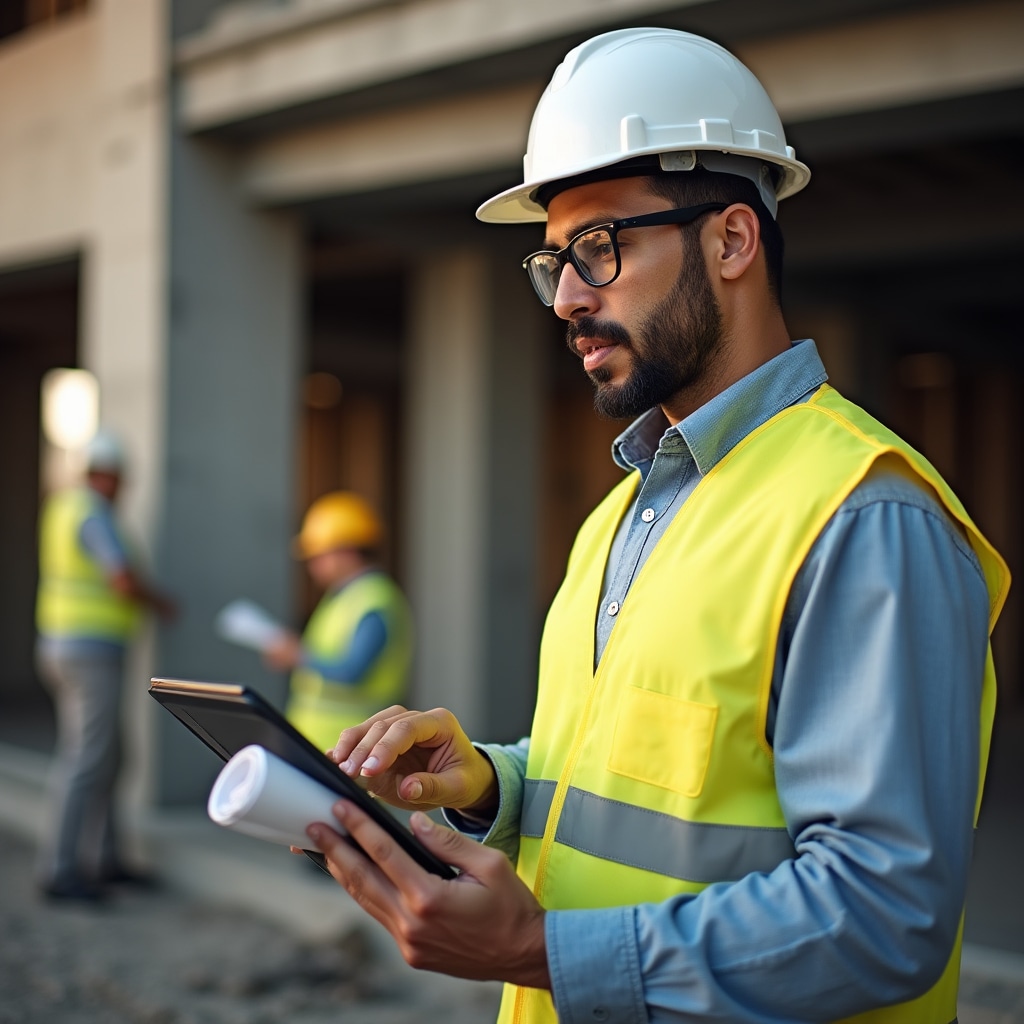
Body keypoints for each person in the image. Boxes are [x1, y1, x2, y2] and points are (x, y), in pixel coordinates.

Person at [302, 28, 1010, 1023]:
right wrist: (490, 785)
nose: (570, 299)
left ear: (730, 240)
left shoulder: (864, 513)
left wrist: (541, 950)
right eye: (554, 263)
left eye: (599, 247)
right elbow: (641, 796)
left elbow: (882, 913)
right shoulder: (623, 510)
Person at [35, 429, 177, 902]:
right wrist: (159, 602)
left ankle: (105, 858)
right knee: (87, 759)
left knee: (108, 756)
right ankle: (61, 870)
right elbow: (120, 578)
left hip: (64, 645)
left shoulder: (63, 506)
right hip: (89, 650)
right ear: (110, 475)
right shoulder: (91, 512)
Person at [264, 490, 413, 753]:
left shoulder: (374, 599)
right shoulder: (343, 595)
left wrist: (297, 654)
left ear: (347, 551)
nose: (313, 565)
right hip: (324, 742)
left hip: (351, 746)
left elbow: (352, 671)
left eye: (319, 555)